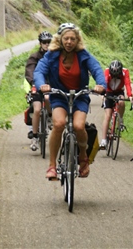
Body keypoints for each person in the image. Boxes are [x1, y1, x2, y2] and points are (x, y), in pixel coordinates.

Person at [33, 22, 106, 180]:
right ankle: (52, 165)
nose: (69, 42)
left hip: (79, 96)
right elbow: (39, 71)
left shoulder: (83, 55)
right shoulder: (52, 55)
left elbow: (97, 69)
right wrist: (41, 85)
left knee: (79, 126)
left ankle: (83, 158)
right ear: (60, 39)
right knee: (59, 124)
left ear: (77, 40)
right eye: (66, 38)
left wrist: (101, 85)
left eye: (73, 38)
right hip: (59, 95)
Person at [25, 31, 53, 150]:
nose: (46, 44)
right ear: (40, 43)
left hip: (50, 86)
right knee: (36, 110)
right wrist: (33, 83)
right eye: (44, 42)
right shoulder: (34, 56)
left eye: (48, 42)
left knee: (47, 98)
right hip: (37, 85)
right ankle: (35, 137)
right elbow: (30, 70)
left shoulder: (55, 56)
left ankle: (50, 117)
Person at [99, 60, 133, 149]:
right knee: (107, 115)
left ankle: (120, 120)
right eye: (113, 75)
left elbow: (127, 83)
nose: (115, 77)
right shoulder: (107, 71)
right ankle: (103, 141)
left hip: (119, 91)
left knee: (121, 101)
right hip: (109, 92)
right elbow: (105, 82)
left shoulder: (125, 72)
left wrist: (130, 96)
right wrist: (103, 94)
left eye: (117, 75)